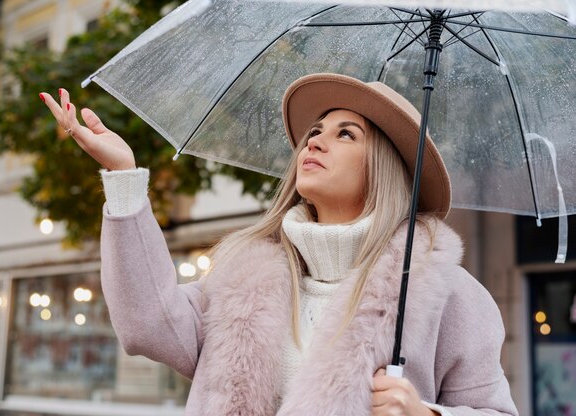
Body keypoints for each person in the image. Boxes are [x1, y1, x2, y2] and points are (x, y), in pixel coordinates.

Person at [40, 73, 519, 416]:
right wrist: (124, 177)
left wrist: (425, 415)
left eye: (345, 134)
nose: (314, 142)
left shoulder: (444, 292)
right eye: (314, 132)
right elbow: (147, 323)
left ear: (385, 168)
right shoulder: (240, 280)